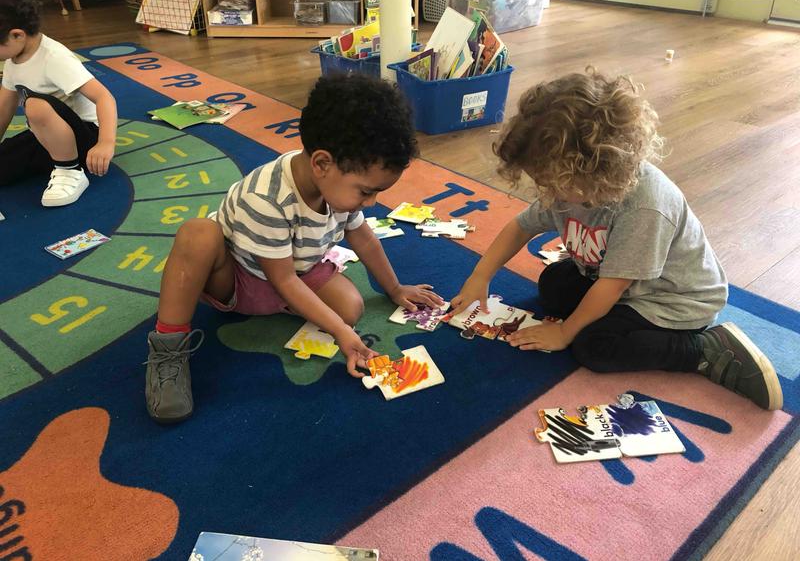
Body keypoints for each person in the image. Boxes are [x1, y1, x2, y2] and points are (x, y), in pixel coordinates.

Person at [450, 68, 783, 411]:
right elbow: (520, 227)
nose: (546, 192)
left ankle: (704, 351)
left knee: (593, 346)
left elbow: (612, 287)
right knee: (553, 284)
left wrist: (565, 333)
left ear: (597, 170)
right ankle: (605, 322)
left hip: (672, 299)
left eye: (553, 183)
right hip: (616, 280)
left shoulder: (645, 207)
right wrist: (480, 277)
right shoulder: (570, 187)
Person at [144, 74, 443, 424]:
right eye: (366, 192)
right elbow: (283, 281)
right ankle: (167, 350)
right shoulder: (266, 198)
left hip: (295, 269)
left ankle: (301, 309)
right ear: (321, 163)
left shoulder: (337, 187)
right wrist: (342, 334)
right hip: (238, 277)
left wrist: (393, 288)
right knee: (198, 234)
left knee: (350, 307)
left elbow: (364, 238)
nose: (373, 203)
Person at [0, 0, 117, 206]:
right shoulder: (13, 59)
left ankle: (70, 170)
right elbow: (5, 104)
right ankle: (58, 161)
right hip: (47, 138)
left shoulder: (54, 57)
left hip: (85, 138)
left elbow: (104, 97)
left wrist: (105, 143)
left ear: (17, 35)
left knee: (35, 106)